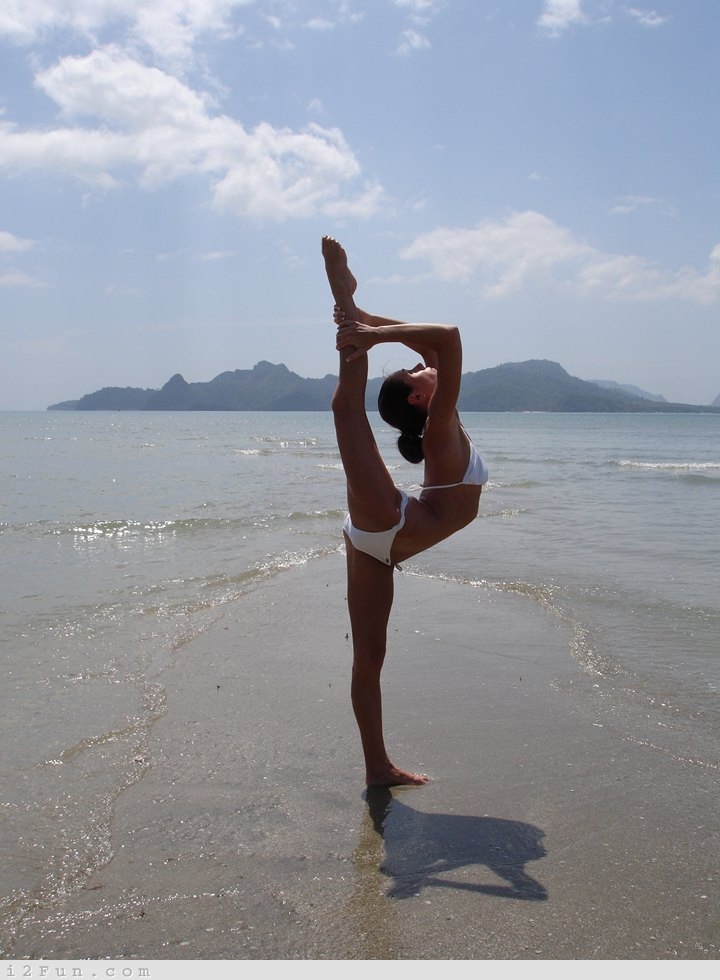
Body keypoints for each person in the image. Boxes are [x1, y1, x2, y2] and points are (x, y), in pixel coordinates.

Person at [322, 236, 488, 787]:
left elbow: (434, 349)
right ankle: (340, 296)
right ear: (421, 398)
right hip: (391, 525)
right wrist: (370, 331)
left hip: (375, 542)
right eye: (417, 373)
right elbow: (448, 337)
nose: (425, 366)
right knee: (346, 405)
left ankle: (377, 770)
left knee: (370, 656)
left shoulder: (440, 420)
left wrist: (368, 320)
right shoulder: (440, 421)